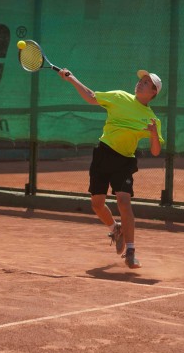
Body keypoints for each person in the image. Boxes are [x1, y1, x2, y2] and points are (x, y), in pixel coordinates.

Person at [57, 68, 163, 269]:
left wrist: (154, 133)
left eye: (146, 83)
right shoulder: (119, 97)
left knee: (123, 201)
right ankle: (116, 229)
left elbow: (156, 151)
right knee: (97, 204)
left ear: (153, 92)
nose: (140, 83)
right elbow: (91, 97)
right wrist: (72, 79)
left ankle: (130, 252)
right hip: (103, 154)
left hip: (124, 161)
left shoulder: (152, 119)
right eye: (141, 80)